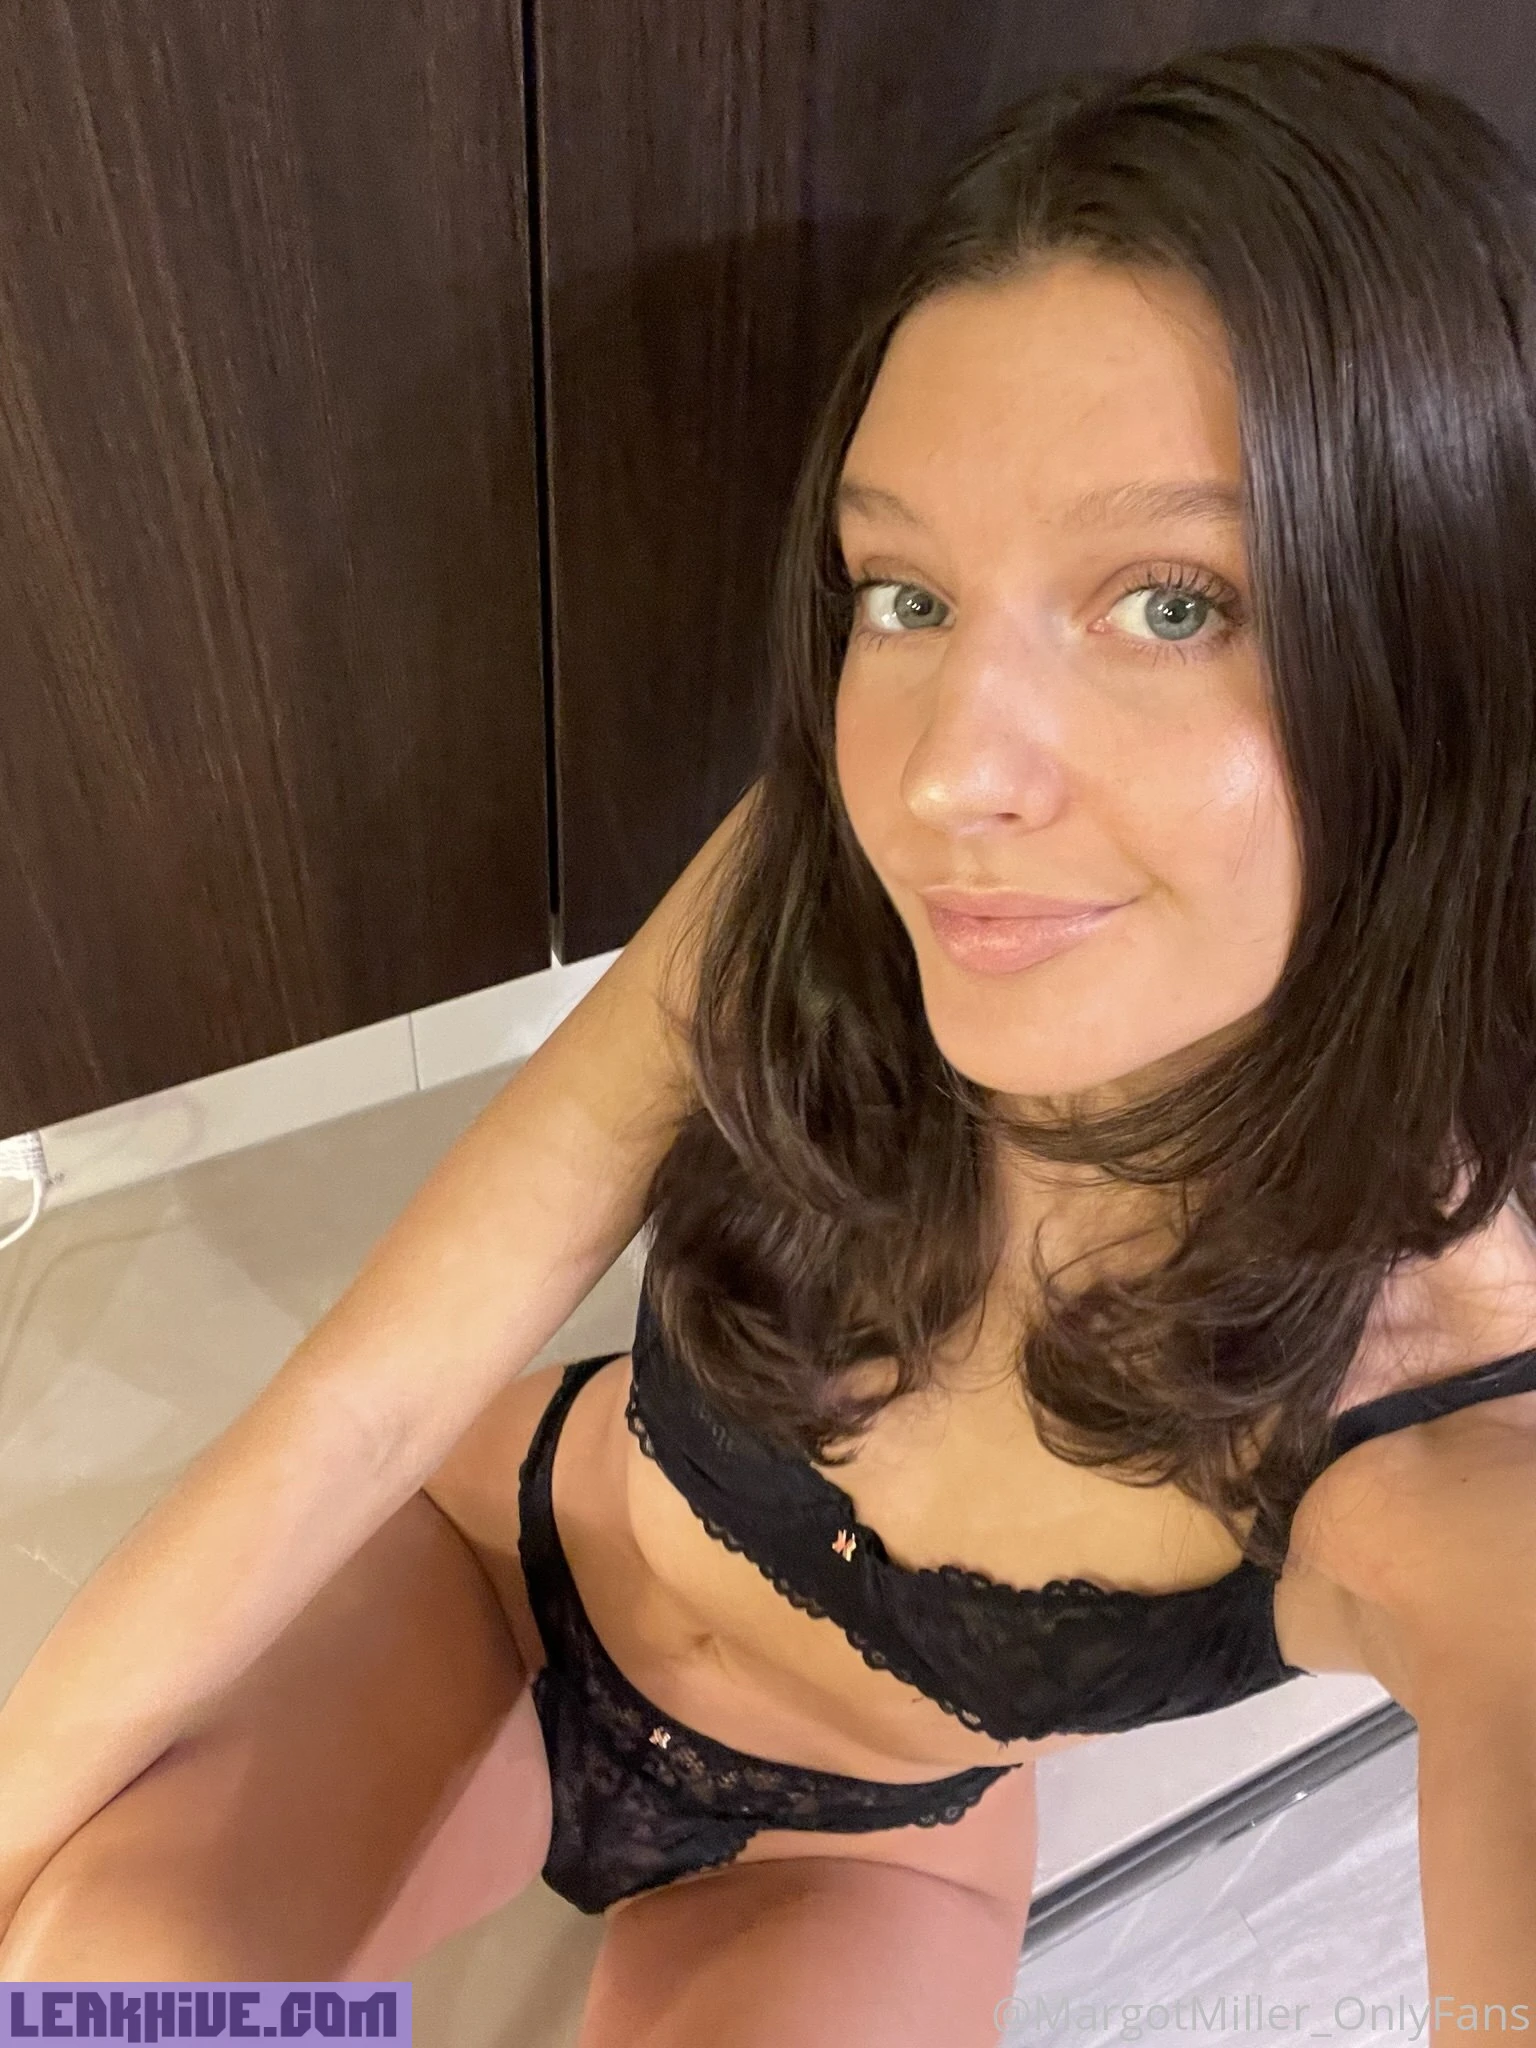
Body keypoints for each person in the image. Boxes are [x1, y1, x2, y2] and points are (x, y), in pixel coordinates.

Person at [4, 36, 1536, 2042]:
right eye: (903, 594)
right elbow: (364, 1405)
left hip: (863, 1840)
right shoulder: (817, 873)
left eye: (1172, 603)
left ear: (1451, 653)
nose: (947, 775)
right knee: (116, 1998)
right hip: (499, 1583)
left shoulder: (1441, 1418)